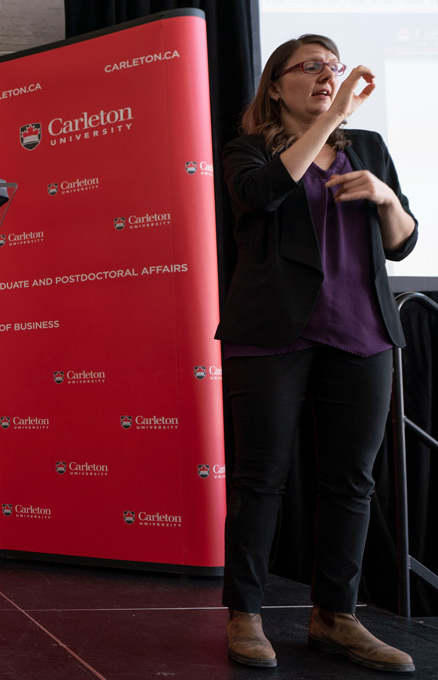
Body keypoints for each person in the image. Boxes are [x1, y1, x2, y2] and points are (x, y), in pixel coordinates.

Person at [218, 34, 417, 672]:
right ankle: (245, 614)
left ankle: (336, 617)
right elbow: (262, 193)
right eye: (310, 68)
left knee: (352, 483)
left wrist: (386, 198)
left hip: (362, 331)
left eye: (332, 68)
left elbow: (403, 244)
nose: (327, 76)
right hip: (273, 331)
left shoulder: (371, 149)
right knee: (261, 478)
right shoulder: (248, 149)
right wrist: (330, 121)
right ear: (276, 86)